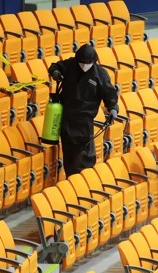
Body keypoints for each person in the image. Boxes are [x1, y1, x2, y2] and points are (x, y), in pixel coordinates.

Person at [48, 44, 118, 177]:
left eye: (88, 62)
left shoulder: (100, 74)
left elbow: (109, 94)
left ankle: (83, 184)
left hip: (84, 122)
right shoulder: (71, 65)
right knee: (69, 156)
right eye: (82, 62)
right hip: (67, 118)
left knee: (85, 159)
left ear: (94, 61)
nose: (85, 65)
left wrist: (113, 108)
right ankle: (71, 181)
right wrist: (55, 72)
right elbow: (54, 66)